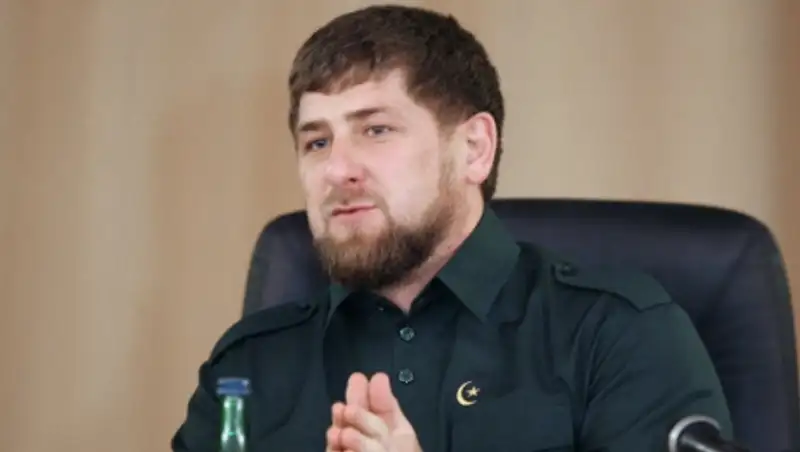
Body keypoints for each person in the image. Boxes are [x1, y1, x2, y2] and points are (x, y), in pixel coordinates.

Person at [171, 5, 732, 452]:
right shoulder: (248, 367)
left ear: (473, 149)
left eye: (376, 130)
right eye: (317, 141)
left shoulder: (615, 334)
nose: (337, 170)